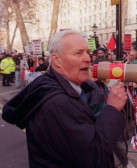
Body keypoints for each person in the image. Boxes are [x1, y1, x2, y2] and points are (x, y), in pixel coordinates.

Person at [2, 30, 127, 168]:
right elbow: (93, 157)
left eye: (87, 52)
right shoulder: (58, 104)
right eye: (78, 53)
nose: (87, 58)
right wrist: (113, 110)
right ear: (56, 60)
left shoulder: (70, 89)